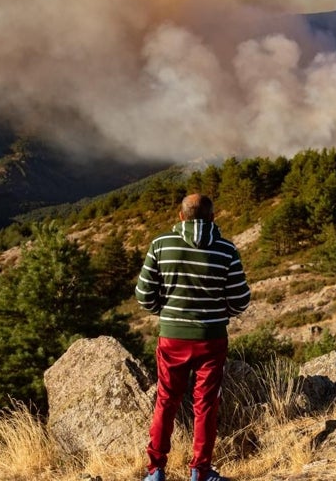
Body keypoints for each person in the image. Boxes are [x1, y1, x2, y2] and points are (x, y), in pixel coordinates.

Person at [136, 194, 251, 481]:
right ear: (213, 218)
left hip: (172, 339)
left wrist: (166, 312)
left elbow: (143, 296)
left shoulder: (161, 245)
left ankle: (156, 470)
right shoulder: (226, 250)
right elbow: (240, 300)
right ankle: (200, 471)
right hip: (211, 339)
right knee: (206, 404)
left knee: (166, 400)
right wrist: (217, 311)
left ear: (180, 216)